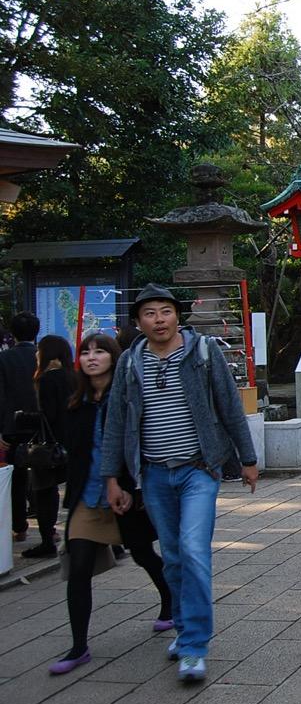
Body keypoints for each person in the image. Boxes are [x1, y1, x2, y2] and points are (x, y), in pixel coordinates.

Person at [100, 284, 259, 683]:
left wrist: (248, 459)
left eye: (165, 311)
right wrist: (111, 479)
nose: (159, 320)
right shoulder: (130, 363)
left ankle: (193, 646)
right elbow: (116, 423)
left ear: (177, 317)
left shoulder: (203, 353)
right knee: (171, 557)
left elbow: (229, 405)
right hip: (152, 473)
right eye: (150, 313)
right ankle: (185, 628)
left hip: (198, 470)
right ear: (138, 322)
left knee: (193, 550)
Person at [49, 334, 173, 675]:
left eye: (99, 350)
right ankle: (78, 646)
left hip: (126, 496)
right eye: (86, 352)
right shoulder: (76, 404)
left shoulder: (130, 398)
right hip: (87, 498)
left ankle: (170, 602)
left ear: (113, 358)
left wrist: (135, 486)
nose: (91, 357)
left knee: (144, 554)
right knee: (79, 568)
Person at [21, 334, 74, 559]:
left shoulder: (46, 379)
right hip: (72, 443)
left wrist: (24, 418)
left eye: (39, 350)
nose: (36, 354)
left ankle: (47, 540)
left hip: (50, 447)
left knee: (44, 492)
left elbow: (47, 416)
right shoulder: (74, 377)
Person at [0, 311, 40, 543]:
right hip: (40, 427)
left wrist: (3, 429)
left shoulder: (4, 359)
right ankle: (48, 526)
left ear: (12, 333)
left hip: (13, 426)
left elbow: (2, 396)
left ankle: (19, 526)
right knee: (43, 474)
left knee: (15, 477)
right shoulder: (43, 356)